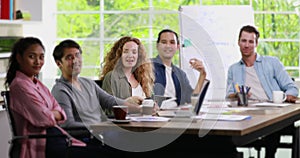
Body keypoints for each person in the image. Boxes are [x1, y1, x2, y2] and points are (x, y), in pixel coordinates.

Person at [4, 37, 110, 158]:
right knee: (109, 153)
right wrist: (53, 114)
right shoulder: (20, 85)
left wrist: (52, 113)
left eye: (41, 57)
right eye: (31, 56)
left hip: (59, 140)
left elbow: (60, 112)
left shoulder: (38, 84)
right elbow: (45, 118)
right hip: (45, 144)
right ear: (19, 58)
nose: (37, 62)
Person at [226, 25, 299, 158]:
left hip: (273, 112)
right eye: (243, 41)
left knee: (273, 127)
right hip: (248, 113)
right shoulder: (233, 69)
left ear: (256, 44)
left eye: (250, 41)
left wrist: (287, 97)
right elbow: (229, 95)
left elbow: (292, 87)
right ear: (238, 42)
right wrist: (237, 95)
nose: (246, 45)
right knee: (227, 138)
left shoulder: (272, 63)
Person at [51, 39, 142, 129]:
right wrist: (100, 127)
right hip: (85, 138)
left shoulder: (88, 83)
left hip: (101, 134)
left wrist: (140, 109)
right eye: (69, 57)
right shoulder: (60, 91)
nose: (75, 61)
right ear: (59, 63)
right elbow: (68, 125)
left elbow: (110, 101)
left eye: (77, 55)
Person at [152, 29, 207, 106]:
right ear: (157, 46)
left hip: (175, 114)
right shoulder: (147, 67)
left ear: (177, 47)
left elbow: (190, 99)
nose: (168, 46)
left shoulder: (180, 74)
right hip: (154, 114)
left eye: (172, 42)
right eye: (164, 42)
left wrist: (202, 75)